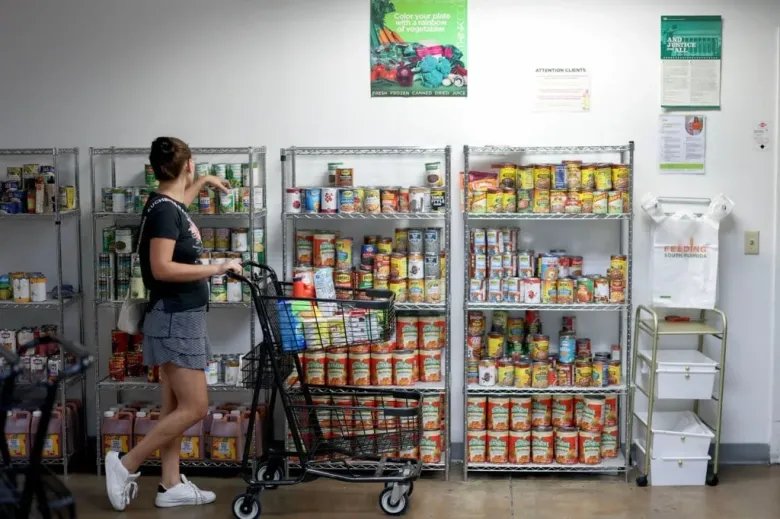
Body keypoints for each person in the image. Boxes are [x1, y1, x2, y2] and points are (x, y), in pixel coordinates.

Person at [105, 137, 242, 511]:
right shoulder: (165, 211)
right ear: (187, 165)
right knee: (196, 407)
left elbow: (179, 201)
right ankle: (125, 464)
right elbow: (161, 267)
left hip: (183, 316)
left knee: (173, 409)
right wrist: (217, 267)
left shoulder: (166, 204)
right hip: (175, 319)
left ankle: (170, 484)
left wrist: (206, 181)